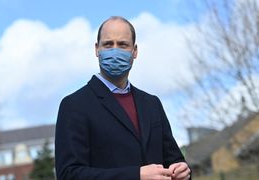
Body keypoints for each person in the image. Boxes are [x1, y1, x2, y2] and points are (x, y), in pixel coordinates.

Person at [55, 16, 191, 180]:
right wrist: (136, 176)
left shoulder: (151, 104)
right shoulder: (74, 105)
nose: (115, 51)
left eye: (122, 45)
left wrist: (182, 171)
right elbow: (69, 175)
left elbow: (173, 159)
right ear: (97, 49)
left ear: (134, 51)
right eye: (108, 44)